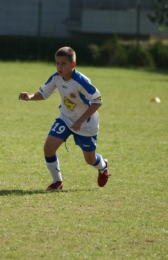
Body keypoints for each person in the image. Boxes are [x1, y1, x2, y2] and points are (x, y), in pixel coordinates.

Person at [19, 46, 110, 190]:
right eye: (57, 63)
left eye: (63, 63)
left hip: (86, 125)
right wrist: (29, 97)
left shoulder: (81, 81)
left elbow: (98, 101)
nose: (59, 67)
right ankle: (57, 182)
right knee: (48, 148)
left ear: (72, 64)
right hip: (66, 119)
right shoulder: (56, 78)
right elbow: (44, 93)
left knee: (90, 160)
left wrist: (80, 121)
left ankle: (103, 166)